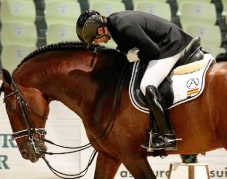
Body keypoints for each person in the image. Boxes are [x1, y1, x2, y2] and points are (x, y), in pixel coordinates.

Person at [76, 10, 194, 151]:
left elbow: (153, 51)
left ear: (101, 30)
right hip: (164, 43)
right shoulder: (115, 25)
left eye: (94, 39)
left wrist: (136, 56)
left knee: (147, 85)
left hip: (171, 45)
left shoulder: (122, 26)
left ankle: (167, 136)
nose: (96, 42)